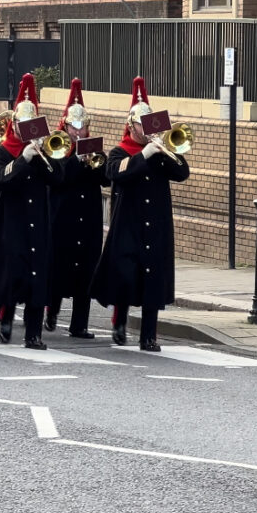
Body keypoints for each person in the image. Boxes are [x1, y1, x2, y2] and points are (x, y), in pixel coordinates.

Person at [90, 76, 189, 352]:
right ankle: (119, 322)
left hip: (155, 225)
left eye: (148, 126)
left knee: (152, 280)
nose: (145, 131)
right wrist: (143, 154)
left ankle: (149, 336)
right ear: (131, 125)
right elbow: (115, 174)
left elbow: (182, 173)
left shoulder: (160, 153)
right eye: (140, 125)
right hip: (128, 224)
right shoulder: (119, 151)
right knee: (125, 275)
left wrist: (169, 151)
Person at [0, 73, 62, 349]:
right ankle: (6, 317)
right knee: (11, 274)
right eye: (23, 125)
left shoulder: (43, 152)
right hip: (10, 222)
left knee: (37, 276)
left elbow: (58, 179)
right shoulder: (1, 152)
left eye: (32, 125)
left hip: (38, 222)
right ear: (16, 125)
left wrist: (45, 156)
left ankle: (33, 334)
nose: (28, 130)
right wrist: (23, 159)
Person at [45, 78, 108, 339]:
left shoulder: (93, 148)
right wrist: (76, 159)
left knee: (85, 274)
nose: (79, 131)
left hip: (89, 220)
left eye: (83, 126)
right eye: (75, 126)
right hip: (63, 220)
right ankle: (51, 310)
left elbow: (106, 179)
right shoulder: (56, 148)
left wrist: (95, 162)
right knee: (59, 270)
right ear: (66, 126)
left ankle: (79, 325)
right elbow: (58, 178)